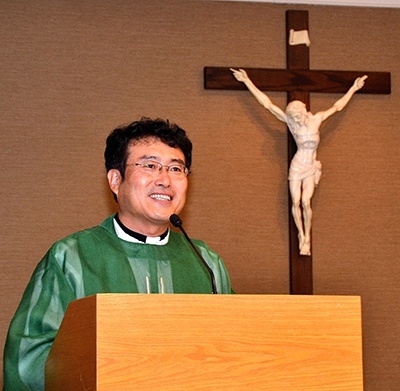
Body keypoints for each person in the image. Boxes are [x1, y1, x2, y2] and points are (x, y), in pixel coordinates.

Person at [3, 117, 233, 391]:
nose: (165, 180)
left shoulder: (207, 263)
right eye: (149, 166)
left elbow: (236, 348)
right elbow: (28, 359)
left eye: (176, 168)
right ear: (115, 180)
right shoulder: (73, 257)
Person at [231, 68, 367, 255]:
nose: (296, 119)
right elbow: (267, 105)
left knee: (306, 202)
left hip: (310, 166)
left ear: (303, 111)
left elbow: (338, 107)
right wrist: (247, 81)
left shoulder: (316, 119)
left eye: (297, 116)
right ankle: (300, 234)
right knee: (295, 202)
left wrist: (354, 88)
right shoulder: (292, 124)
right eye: (293, 117)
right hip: (297, 166)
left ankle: (306, 238)